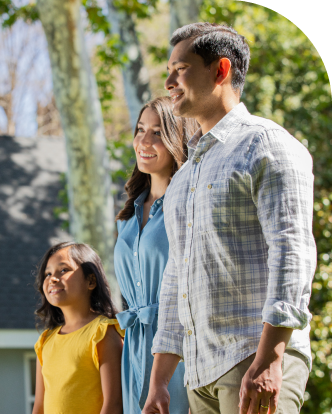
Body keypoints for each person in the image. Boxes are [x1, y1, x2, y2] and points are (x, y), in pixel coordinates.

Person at [144, 23, 316, 414]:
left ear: (220, 71)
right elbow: (176, 278)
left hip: (253, 356)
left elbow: (293, 252)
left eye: (180, 68)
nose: (169, 81)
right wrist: (159, 382)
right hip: (200, 374)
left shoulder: (266, 144)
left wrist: (271, 358)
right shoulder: (184, 175)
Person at [114, 96, 197, 414]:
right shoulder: (125, 218)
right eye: (139, 130)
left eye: (158, 133)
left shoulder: (189, 205)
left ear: (178, 138)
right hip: (133, 346)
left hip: (178, 346)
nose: (143, 141)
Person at [32, 242, 125, 414]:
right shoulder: (45, 341)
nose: (52, 278)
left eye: (64, 270)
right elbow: (39, 406)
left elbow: (114, 404)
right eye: (48, 273)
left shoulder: (103, 332)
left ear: (90, 281)